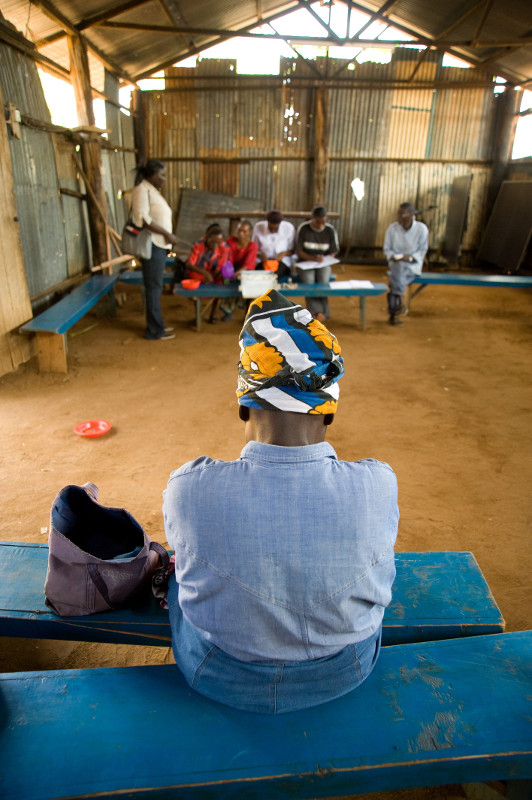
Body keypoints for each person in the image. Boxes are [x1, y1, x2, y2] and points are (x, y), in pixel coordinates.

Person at [162, 290, 399, 715]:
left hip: (220, 675)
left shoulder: (189, 488)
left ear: (242, 406)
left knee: (180, 572)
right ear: (328, 412)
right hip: (345, 671)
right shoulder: (378, 485)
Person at [130, 159, 178, 340]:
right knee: (153, 288)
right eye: (162, 175)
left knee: (155, 287)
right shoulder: (141, 190)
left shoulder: (151, 191)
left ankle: (158, 326)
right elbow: (143, 219)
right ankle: (154, 331)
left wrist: (168, 237)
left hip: (159, 245)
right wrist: (168, 234)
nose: (164, 179)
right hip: (153, 245)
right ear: (152, 175)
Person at [383, 202, 429, 326]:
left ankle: (395, 310)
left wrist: (409, 257)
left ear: (411, 215)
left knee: (396, 277)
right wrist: (393, 256)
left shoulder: (421, 229)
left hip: (412, 266)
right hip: (396, 265)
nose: (398, 216)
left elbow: (422, 250)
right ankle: (400, 303)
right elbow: (387, 249)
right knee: (398, 269)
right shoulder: (392, 228)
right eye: (398, 213)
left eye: (401, 214)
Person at [295, 205, 340, 323]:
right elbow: (299, 251)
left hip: (323, 263)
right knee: (309, 281)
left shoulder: (330, 230)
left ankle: (323, 313)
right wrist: (313, 259)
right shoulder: (304, 229)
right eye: (317, 222)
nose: (320, 225)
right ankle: (316, 312)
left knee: (323, 281)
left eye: (323, 222)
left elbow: (333, 251)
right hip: (305, 262)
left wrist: (325, 259)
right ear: (312, 219)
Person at [185, 223, 231, 324]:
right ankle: (197, 314)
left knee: (220, 282)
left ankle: (213, 313)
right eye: (212, 242)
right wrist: (205, 274)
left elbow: (220, 267)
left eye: (218, 243)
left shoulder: (224, 247)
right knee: (193, 278)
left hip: (212, 273)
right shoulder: (198, 244)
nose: (215, 246)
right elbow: (189, 264)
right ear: (207, 238)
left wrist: (212, 276)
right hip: (199, 271)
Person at [222, 220, 259, 321]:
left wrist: (237, 274)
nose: (240, 233)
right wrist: (230, 273)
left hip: (245, 271)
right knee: (228, 282)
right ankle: (228, 311)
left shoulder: (252, 246)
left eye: (244, 231)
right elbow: (228, 260)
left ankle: (246, 312)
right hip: (231, 269)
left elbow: (248, 265)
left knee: (247, 284)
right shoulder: (231, 241)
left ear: (249, 232)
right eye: (239, 231)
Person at [251, 210, 296, 280]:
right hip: (263, 260)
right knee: (261, 275)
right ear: (267, 222)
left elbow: (293, 250)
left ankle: (272, 290)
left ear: (280, 224)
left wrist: (284, 253)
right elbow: (253, 248)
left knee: (274, 276)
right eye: (270, 227)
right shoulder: (258, 227)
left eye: (275, 228)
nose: (273, 229)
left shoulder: (288, 228)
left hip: (282, 261)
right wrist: (260, 254)